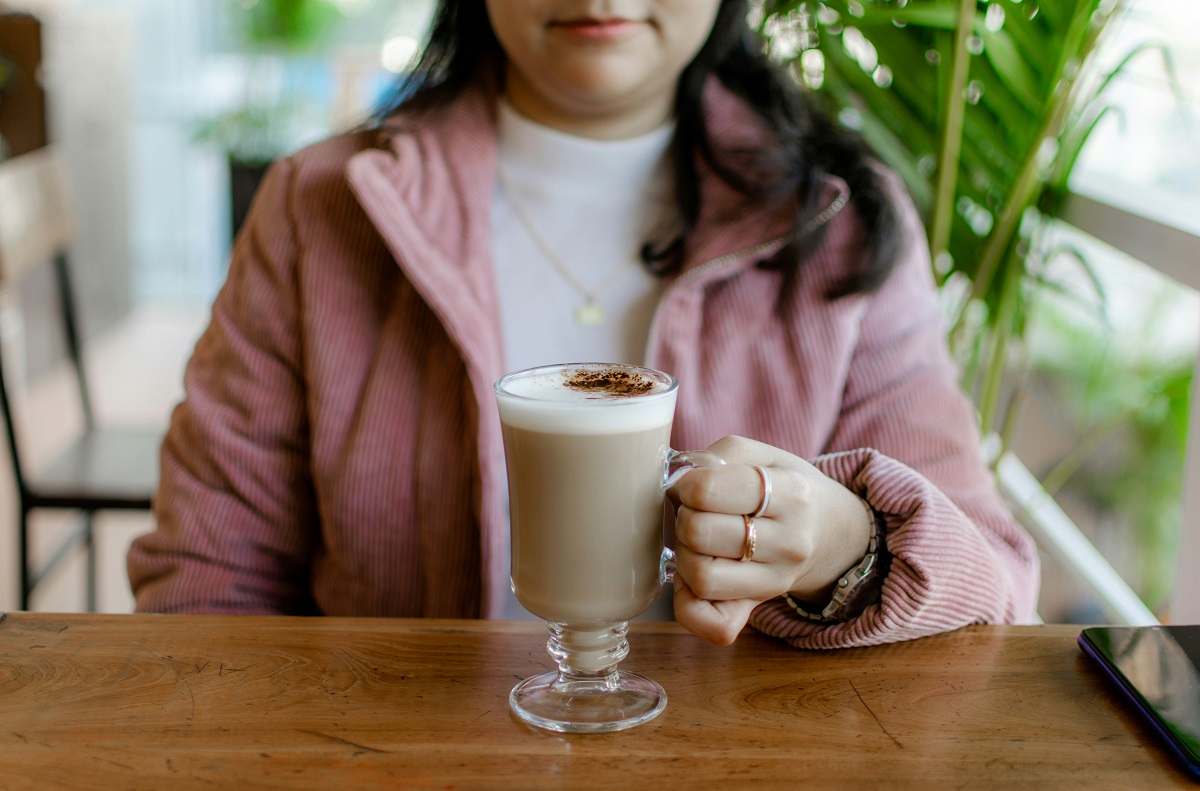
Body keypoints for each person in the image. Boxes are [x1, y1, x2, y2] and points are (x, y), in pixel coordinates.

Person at [128, 0, 1040, 648]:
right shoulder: (322, 208)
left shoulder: (842, 223)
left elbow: (994, 597)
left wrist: (848, 547)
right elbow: (205, 577)